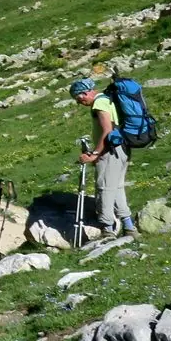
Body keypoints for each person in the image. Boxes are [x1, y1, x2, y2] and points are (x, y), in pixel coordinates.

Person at [72, 78, 136, 235]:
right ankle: (129, 226)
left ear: (85, 93)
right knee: (117, 188)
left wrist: (95, 154)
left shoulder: (99, 103)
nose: (80, 102)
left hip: (110, 151)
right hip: (121, 149)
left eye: (79, 98)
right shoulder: (108, 99)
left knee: (105, 188)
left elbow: (107, 130)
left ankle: (107, 229)